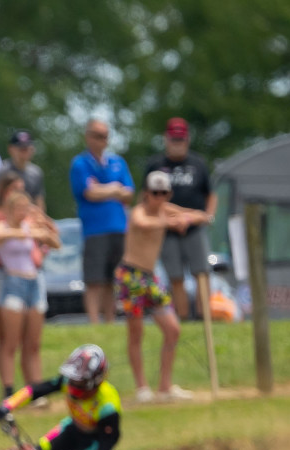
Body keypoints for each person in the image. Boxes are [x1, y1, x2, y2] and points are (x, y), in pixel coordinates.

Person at [117, 170, 208, 400]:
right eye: (155, 193)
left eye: (163, 193)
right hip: (131, 275)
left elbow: (199, 215)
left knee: (173, 329)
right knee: (136, 333)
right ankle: (142, 388)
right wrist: (172, 222)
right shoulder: (139, 211)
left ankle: (165, 387)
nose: (159, 197)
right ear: (146, 193)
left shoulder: (166, 210)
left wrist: (186, 219)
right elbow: (142, 223)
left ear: (169, 194)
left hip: (151, 277)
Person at [0, 172, 58, 396]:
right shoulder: (1, 224)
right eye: (19, 208)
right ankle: (8, 391)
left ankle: (36, 390)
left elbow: (55, 240)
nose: (22, 212)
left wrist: (41, 223)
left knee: (33, 343)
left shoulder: (29, 224)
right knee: (10, 342)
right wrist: (29, 231)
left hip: (33, 282)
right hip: (13, 282)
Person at [145, 119, 213, 322]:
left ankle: (204, 316)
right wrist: (177, 218)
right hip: (167, 229)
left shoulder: (198, 163)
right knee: (175, 275)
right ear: (166, 139)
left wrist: (202, 216)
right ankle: (182, 317)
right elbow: (147, 199)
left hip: (194, 228)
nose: (177, 143)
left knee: (202, 272)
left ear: (187, 139)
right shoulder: (156, 165)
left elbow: (211, 194)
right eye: (174, 139)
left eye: (181, 139)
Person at [70, 120, 135, 324]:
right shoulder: (80, 163)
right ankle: (93, 321)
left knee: (113, 279)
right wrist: (115, 189)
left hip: (119, 227)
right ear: (88, 137)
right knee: (95, 280)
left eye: (105, 136)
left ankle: (110, 320)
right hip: (95, 230)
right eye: (98, 136)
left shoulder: (117, 161)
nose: (102, 141)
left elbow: (129, 193)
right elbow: (89, 192)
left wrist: (103, 189)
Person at [3, 130, 47, 203]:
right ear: (11, 149)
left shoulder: (36, 173)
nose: (25, 152)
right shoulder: (2, 169)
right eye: (22, 149)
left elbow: (39, 202)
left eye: (27, 148)